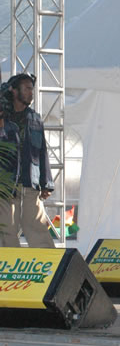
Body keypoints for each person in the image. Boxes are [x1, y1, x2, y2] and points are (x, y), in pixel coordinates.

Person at [0, 73, 55, 248]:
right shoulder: (3, 118)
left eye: (32, 88)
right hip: (7, 185)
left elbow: (42, 151)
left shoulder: (34, 118)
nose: (32, 92)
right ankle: (8, 270)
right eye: (27, 88)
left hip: (30, 184)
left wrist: (46, 183)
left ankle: (51, 270)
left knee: (38, 228)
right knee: (7, 230)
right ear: (14, 91)